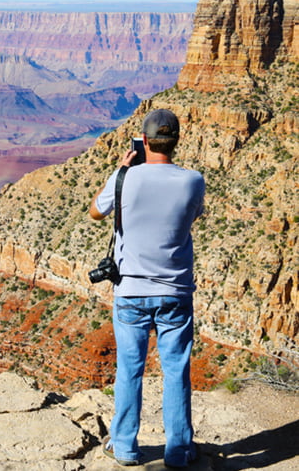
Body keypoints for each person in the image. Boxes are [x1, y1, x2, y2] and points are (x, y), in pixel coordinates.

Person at [88, 108, 205, 468]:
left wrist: (123, 170)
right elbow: (192, 216)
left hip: (130, 293)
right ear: (177, 140)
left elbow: (95, 212)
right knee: (176, 371)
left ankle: (123, 447)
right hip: (175, 293)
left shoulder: (126, 177)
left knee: (129, 370)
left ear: (144, 140)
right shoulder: (193, 180)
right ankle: (179, 452)